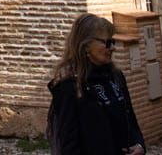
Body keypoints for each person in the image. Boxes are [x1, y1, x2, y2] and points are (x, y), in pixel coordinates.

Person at [48, 13, 146, 155]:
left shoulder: (116, 77)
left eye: (113, 42)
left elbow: (131, 120)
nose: (112, 48)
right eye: (107, 42)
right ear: (86, 45)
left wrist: (140, 145)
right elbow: (68, 144)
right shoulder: (69, 86)